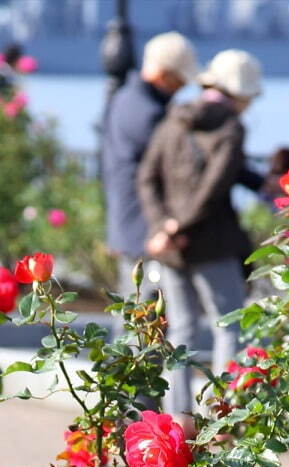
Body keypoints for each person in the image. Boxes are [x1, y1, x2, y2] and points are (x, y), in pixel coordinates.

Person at [136, 49, 263, 416]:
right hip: (213, 245)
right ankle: (220, 415)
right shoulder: (231, 127)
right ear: (239, 94)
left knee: (182, 333)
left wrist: (164, 226)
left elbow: (147, 178)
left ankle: (180, 418)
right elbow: (214, 187)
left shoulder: (173, 120)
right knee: (228, 327)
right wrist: (179, 225)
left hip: (171, 249)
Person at [100, 32, 198, 296]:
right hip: (143, 223)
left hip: (132, 219)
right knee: (142, 314)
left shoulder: (128, 99)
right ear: (164, 74)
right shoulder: (146, 111)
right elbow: (174, 163)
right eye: (179, 79)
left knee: (137, 313)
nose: (182, 86)